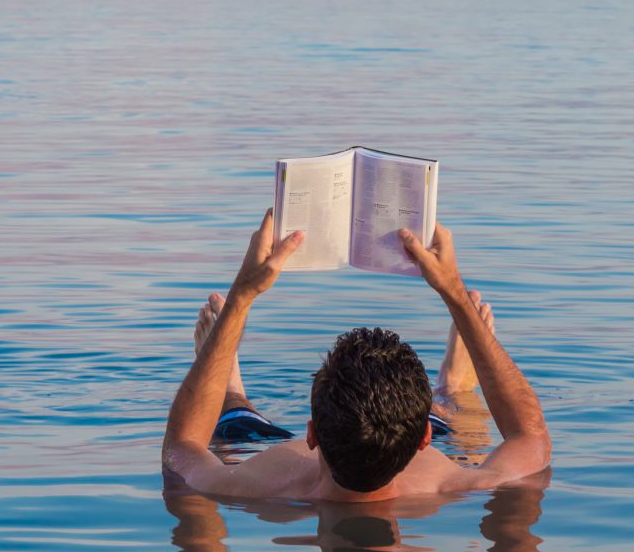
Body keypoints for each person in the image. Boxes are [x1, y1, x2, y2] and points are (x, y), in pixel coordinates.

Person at [162, 210, 551, 500]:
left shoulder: (252, 491)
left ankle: (229, 387)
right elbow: (529, 434)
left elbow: (182, 446)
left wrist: (242, 298)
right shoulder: (454, 485)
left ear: (311, 434)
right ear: (424, 441)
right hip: (422, 457)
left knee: (231, 421)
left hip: (281, 472)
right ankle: (449, 391)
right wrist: (454, 293)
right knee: (452, 422)